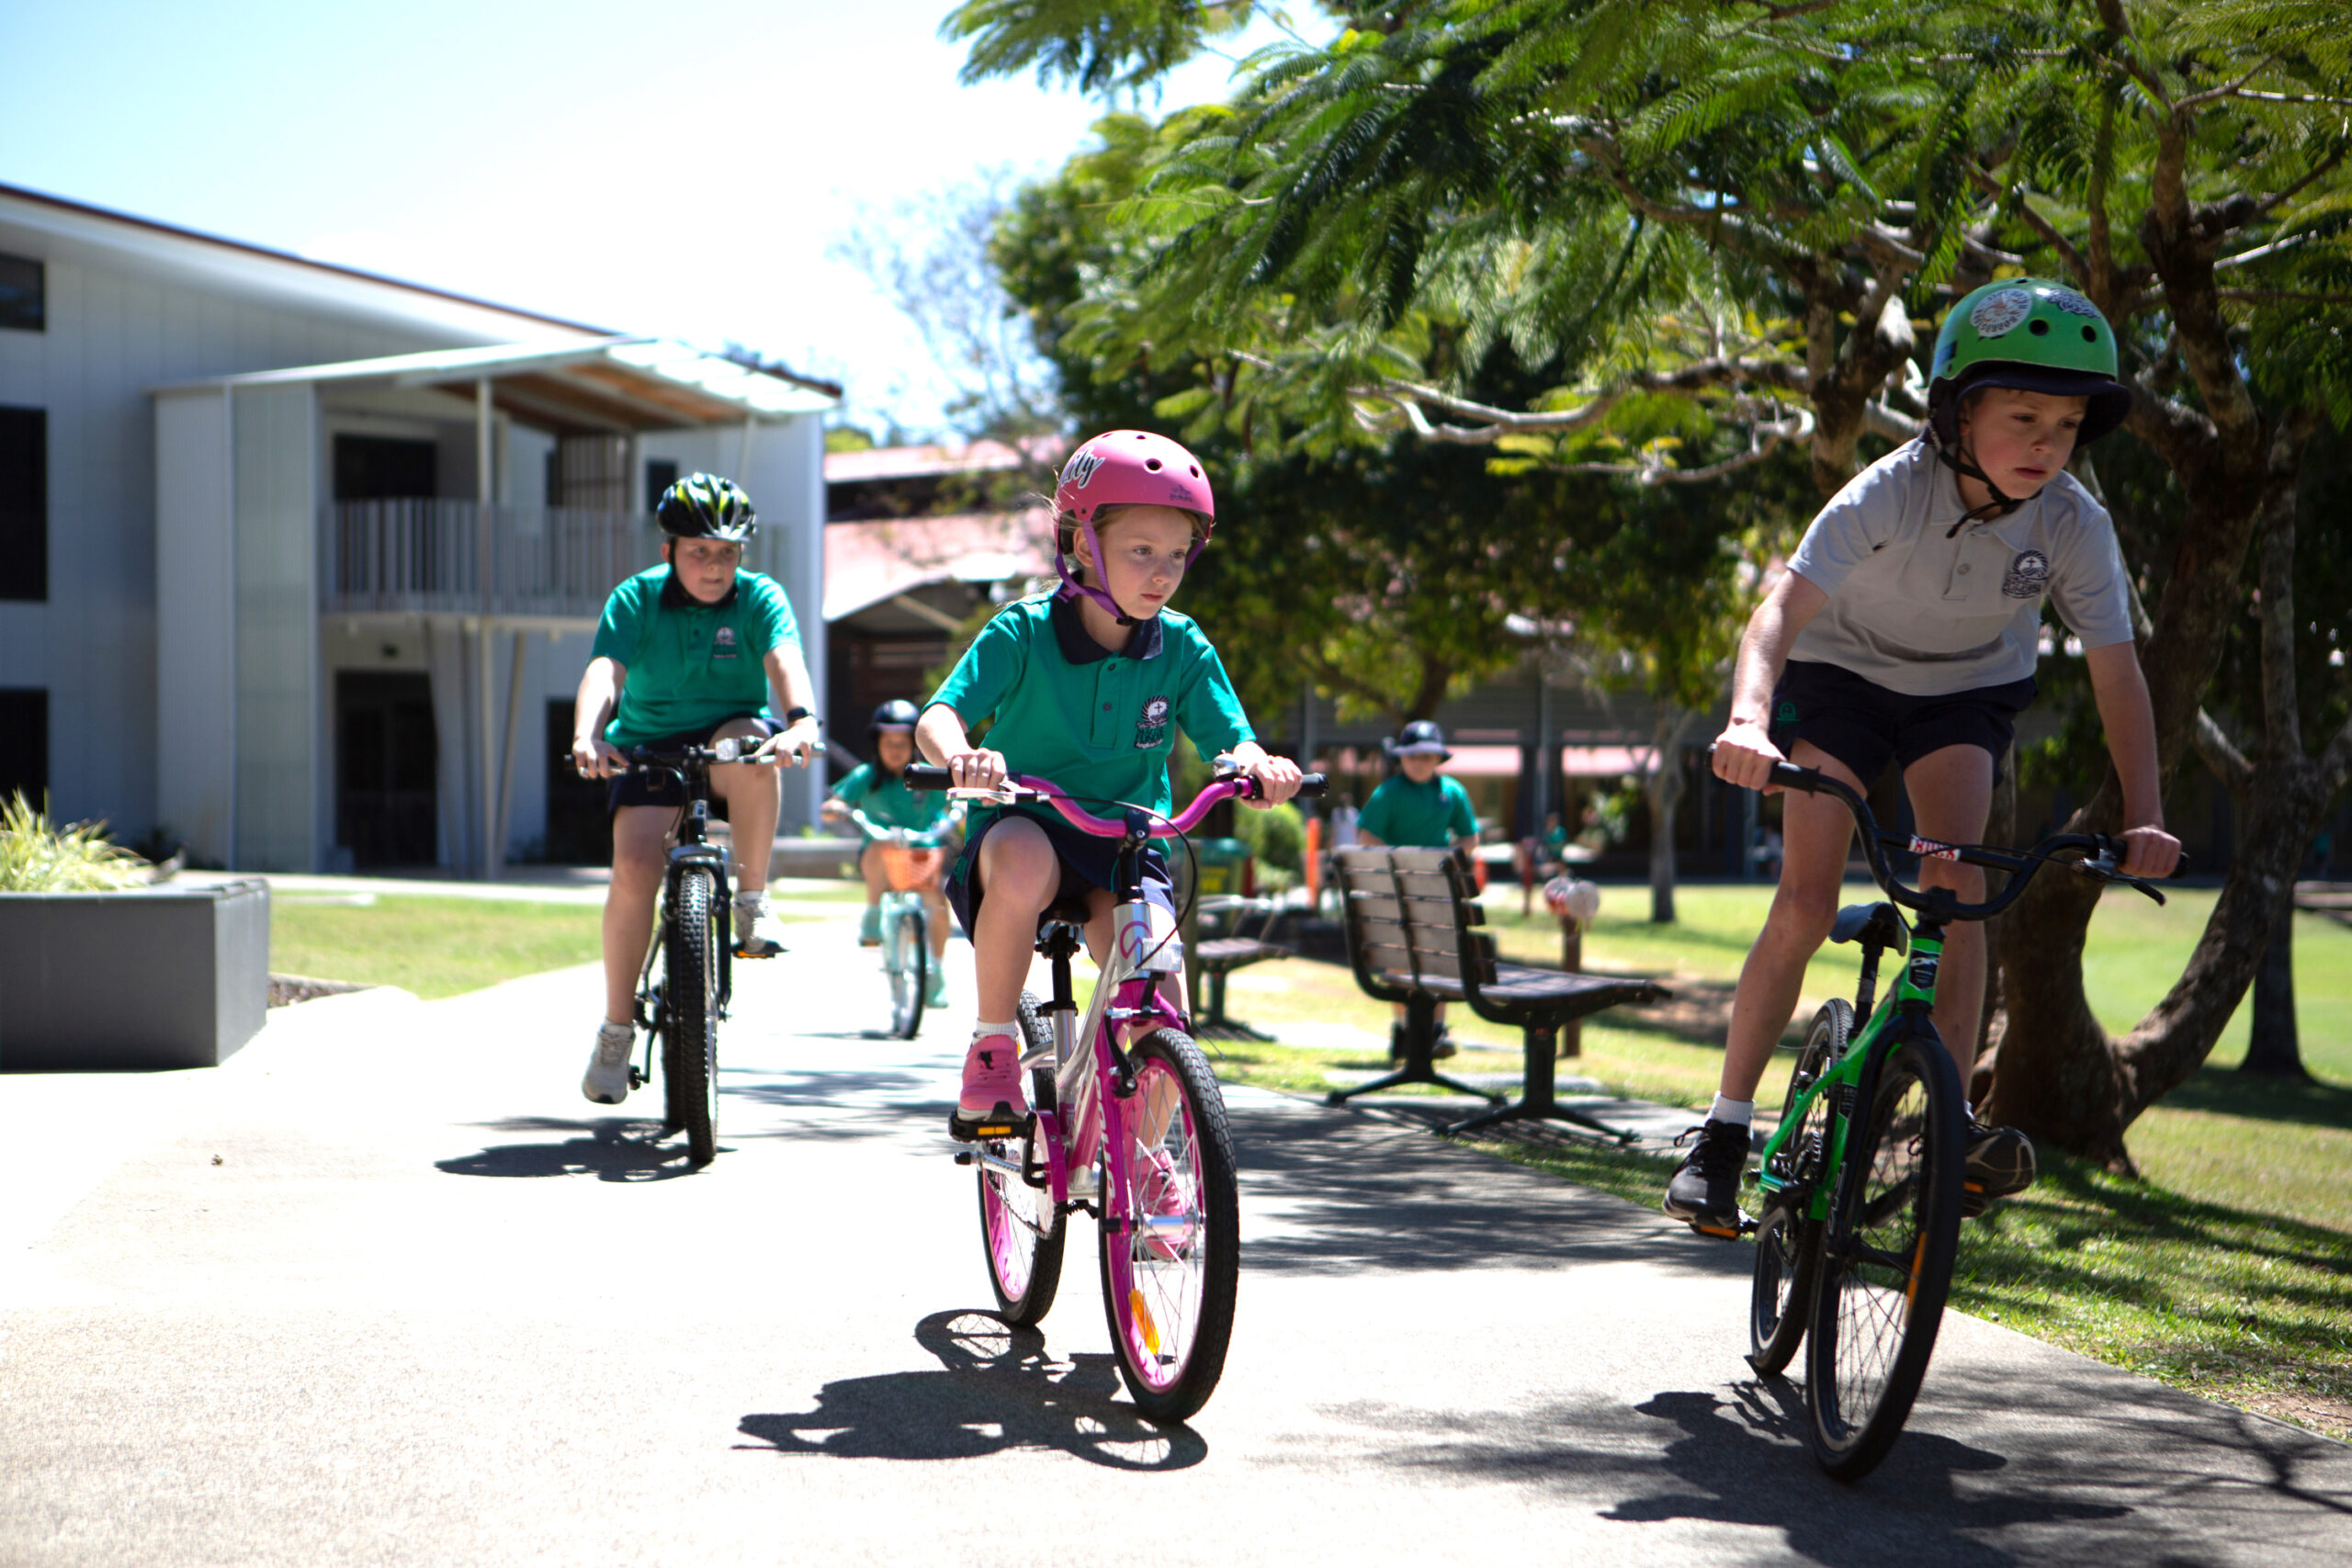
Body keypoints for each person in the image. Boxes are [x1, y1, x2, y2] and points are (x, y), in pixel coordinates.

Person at [1675, 278, 2183, 1234]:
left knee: (1955, 885)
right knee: (1806, 898)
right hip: (1842, 683)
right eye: (2022, 415)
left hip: (1963, 694)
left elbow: (2119, 675)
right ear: (1954, 415)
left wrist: (2144, 815)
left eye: (2067, 424)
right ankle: (1722, 1134)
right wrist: (1748, 720)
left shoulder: (2073, 524)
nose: (2045, 442)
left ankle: (1948, 1120)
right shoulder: (1889, 491)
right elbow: (1777, 611)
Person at [915, 429, 1303, 1136]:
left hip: (1123, 846)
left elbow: (1232, 739)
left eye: (1178, 555)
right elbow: (939, 715)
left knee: (1160, 987)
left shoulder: (1183, 647)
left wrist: (1256, 764)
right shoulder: (1023, 632)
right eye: (1141, 551)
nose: (1162, 573)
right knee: (1028, 856)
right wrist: (963, 754)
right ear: (1082, 545)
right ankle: (994, 1045)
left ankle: (1148, 1169)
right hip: (1026, 826)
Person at [570, 473, 822, 1105]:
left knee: (754, 748)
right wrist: (587, 734)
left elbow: (785, 661)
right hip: (649, 744)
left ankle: (753, 901)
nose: (714, 567)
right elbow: (605, 668)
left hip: (725, 735)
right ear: (669, 552)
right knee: (632, 865)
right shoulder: (636, 598)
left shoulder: (760, 597)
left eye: (728, 552)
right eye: (699, 552)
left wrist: (803, 721)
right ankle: (616, 1029)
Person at [1355, 720, 1479, 1058]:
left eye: (1426, 755)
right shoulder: (1389, 792)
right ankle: (1403, 1028)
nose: (1419, 761)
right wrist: (1400, 862)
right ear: (1401, 758)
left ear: (1438, 757)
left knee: (1437, 959)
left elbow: (1470, 838)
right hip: (1396, 891)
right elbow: (1367, 836)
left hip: (1437, 889)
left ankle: (1437, 1030)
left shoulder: (1452, 792)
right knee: (1398, 962)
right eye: (1412, 755)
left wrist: (1444, 860)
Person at [822, 698, 956, 1009]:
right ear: (877, 743)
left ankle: (935, 969)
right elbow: (833, 803)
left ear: (914, 744)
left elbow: (953, 800)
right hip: (880, 860)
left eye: (902, 742)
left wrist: (961, 807)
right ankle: (872, 912)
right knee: (881, 845)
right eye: (888, 742)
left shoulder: (928, 776)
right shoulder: (865, 776)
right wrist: (836, 808)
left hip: (921, 856)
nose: (895, 749)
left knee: (936, 901)